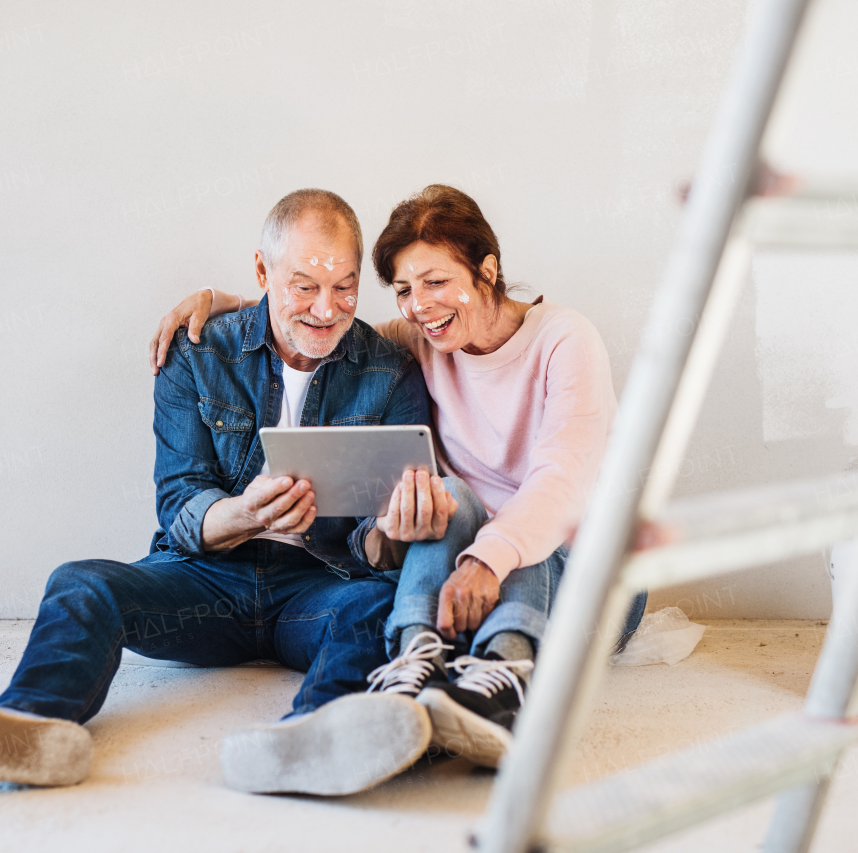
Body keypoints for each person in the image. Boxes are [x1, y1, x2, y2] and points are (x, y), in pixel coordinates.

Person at [0, 188, 459, 797]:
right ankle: (30, 729)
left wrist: (392, 534)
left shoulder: (391, 369)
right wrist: (241, 514)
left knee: (383, 609)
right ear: (261, 272)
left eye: (345, 287)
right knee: (82, 582)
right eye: (303, 286)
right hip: (204, 583)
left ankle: (314, 739)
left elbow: (375, 544)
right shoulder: (197, 352)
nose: (326, 309)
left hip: (317, 590)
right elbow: (178, 503)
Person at [151, 184, 647, 768]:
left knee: (516, 548)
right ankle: (416, 670)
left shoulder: (566, 340)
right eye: (405, 290)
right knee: (444, 496)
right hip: (465, 553)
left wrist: (486, 560)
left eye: (437, 283)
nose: (420, 306)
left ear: (486, 270)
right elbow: (318, 324)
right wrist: (227, 301)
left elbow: (559, 483)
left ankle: (503, 680)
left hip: (575, 557)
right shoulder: (424, 338)